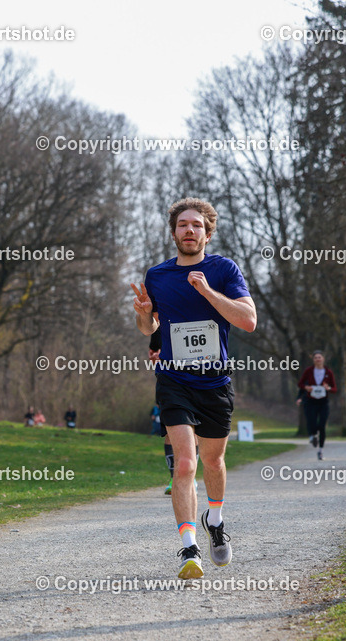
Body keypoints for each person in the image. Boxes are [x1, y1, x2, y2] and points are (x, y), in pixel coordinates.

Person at [132, 197, 257, 579]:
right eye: (183, 224)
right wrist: (142, 318)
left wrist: (207, 293)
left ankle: (214, 520)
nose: (190, 230)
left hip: (215, 383)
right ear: (173, 233)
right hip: (173, 380)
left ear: (207, 231)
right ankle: (189, 549)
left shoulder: (223, 270)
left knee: (214, 461)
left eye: (197, 225)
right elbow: (149, 331)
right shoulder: (157, 275)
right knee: (186, 462)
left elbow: (248, 320)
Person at [150, 328, 198, 495]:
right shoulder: (159, 324)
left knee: (194, 431)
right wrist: (156, 358)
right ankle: (174, 477)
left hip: (198, 382)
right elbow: (153, 355)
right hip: (170, 385)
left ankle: (192, 476)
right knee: (171, 432)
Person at [296, 351, 337, 460]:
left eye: (319, 357)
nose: (318, 359)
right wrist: (306, 388)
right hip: (311, 401)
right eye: (316, 358)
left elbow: (334, 389)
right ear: (313, 360)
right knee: (312, 422)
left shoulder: (329, 372)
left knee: (322, 426)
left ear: (323, 359)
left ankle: (320, 450)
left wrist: (328, 388)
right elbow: (300, 384)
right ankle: (313, 436)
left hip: (323, 402)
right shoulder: (308, 371)